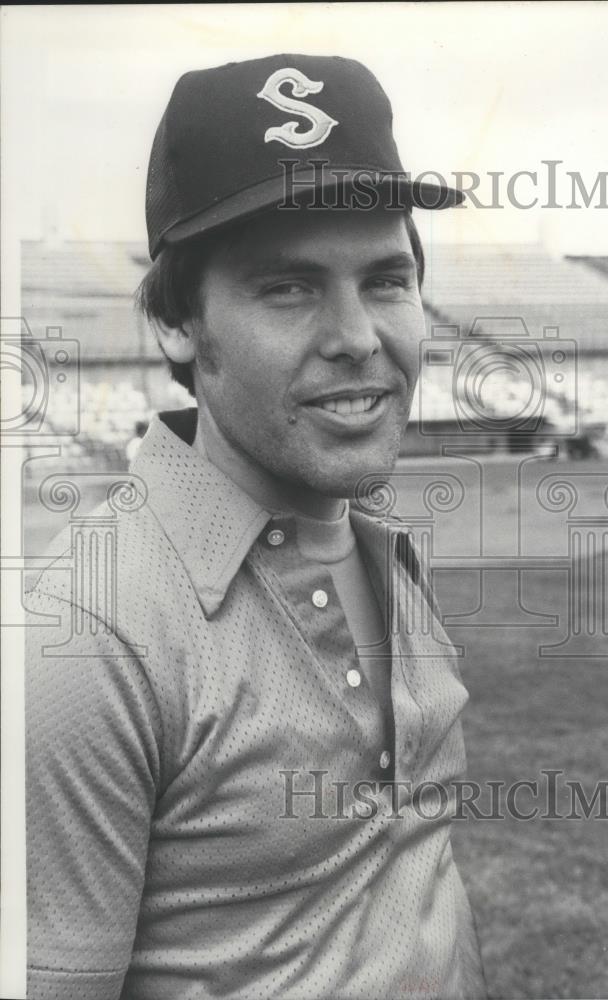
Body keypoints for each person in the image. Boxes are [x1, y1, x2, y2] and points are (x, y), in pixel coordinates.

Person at [25, 54, 486, 999]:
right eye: (288, 287)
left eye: (388, 280)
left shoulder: (379, 544)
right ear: (175, 322)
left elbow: (414, 882)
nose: (358, 335)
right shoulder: (86, 638)